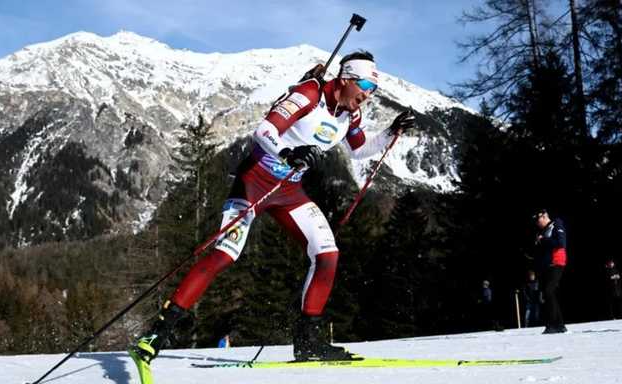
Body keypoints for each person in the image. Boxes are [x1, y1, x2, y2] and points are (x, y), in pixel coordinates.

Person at [129, 51, 417, 365]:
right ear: (346, 78)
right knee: (224, 255)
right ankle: (157, 334)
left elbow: (359, 151)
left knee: (327, 254)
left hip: (288, 192)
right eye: (364, 86)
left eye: (372, 91)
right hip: (253, 184)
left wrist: (392, 131)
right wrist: (288, 153)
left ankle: (308, 341)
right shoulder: (308, 94)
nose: (366, 96)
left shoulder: (351, 114)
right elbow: (263, 131)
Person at [533, 209, 567, 334]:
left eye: (538, 220)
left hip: (557, 262)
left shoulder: (556, 224)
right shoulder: (543, 230)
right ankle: (560, 325)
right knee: (549, 293)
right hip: (547, 265)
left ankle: (553, 324)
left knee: (549, 291)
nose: (537, 223)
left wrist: (544, 240)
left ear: (544, 216)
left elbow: (561, 243)